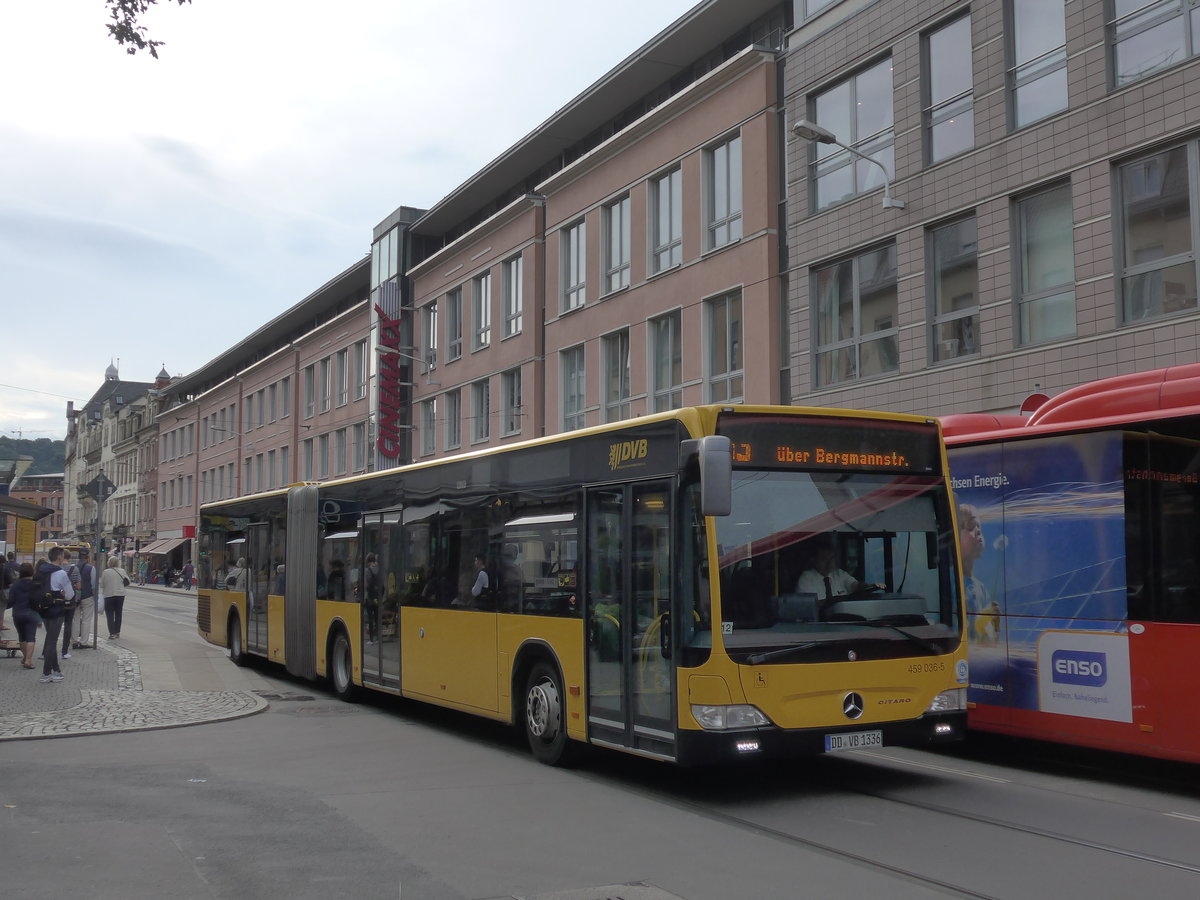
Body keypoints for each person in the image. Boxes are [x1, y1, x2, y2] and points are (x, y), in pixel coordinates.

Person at [959, 504, 1001, 644]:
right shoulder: (948, 583)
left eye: (980, 528)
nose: (978, 532)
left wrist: (993, 621)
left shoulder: (981, 588)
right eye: (971, 526)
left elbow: (986, 634)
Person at [796, 537, 877, 607]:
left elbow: (854, 585)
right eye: (824, 559)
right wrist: (834, 601)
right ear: (813, 560)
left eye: (831, 558)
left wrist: (864, 586)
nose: (829, 562)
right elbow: (807, 605)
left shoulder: (839, 574)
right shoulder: (806, 579)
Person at [37, 547, 75, 683]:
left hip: (43, 608)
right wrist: (62, 594)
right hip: (56, 609)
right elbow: (70, 594)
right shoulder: (61, 574)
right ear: (59, 558)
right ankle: (46, 673)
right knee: (51, 642)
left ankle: (56, 670)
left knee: (49, 639)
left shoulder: (41, 570)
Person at [7, 563, 41, 668]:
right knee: (31, 637)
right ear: (32, 572)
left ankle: (25, 657)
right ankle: (28, 660)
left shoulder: (15, 585)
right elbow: (39, 600)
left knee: (22, 637)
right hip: (31, 613)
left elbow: (11, 601)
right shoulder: (35, 584)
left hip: (18, 613)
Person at [100, 555, 131, 640]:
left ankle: (112, 633)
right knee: (118, 613)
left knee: (109, 614)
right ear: (118, 563)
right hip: (120, 595)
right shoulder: (122, 571)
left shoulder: (106, 572)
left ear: (109, 563)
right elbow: (128, 581)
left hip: (109, 595)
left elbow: (102, 584)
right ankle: (117, 632)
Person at [72, 551, 98, 649]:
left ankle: (74, 640)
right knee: (86, 620)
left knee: (75, 619)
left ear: (78, 557)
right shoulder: (91, 568)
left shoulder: (73, 567)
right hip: (87, 597)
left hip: (75, 597)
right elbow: (94, 585)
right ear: (87, 557)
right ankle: (83, 642)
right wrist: (95, 598)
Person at [59, 549, 81, 659]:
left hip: (58, 600)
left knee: (56, 624)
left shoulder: (57, 568)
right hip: (71, 600)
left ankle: (48, 650)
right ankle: (64, 651)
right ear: (69, 557)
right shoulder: (75, 569)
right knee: (68, 624)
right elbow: (78, 586)